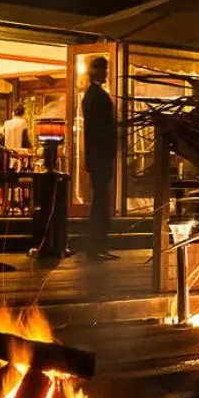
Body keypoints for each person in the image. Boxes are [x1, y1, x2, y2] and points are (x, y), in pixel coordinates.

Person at [81, 57, 119, 259]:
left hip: (98, 155)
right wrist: (110, 145)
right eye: (103, 70)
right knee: (101, 201)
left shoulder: (92, 95)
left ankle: (98, 246)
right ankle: (97, 247)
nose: (106, 73)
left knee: (101, 199)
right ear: (95, 71)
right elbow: (100, 128)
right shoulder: (96, 96)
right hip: (100, 155)